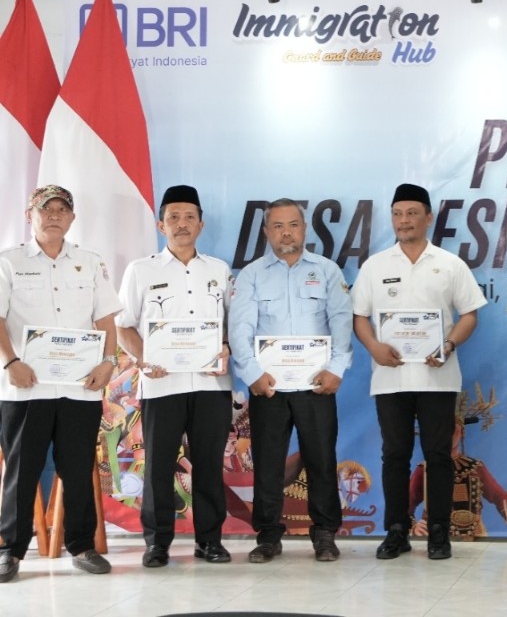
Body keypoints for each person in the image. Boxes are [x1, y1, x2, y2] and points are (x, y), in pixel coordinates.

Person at [352, 183, 487, 560]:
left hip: (438, 377)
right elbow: (359, 317)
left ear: (428, 218)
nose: (404, 220)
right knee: (394, 455)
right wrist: (374, 347)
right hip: (390, 378)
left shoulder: (449, 264)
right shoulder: (375, 265)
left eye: (412, 213)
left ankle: (439, 532)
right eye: (397, 214)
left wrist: (448, 345)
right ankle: (397, 530)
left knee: (438, 455)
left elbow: (470, 315)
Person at [0, 186, 122, 582]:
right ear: (29, 215)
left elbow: (106, 320)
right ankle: (9, 551)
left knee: (78, 468)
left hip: (79, 387)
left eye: (62, 209)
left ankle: (82, 547)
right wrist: (11, 361)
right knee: (22, 470)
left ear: (72, 217)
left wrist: (108, 361)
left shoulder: (90, 262)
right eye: (45, 209)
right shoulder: (8, 262)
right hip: (25, 387)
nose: (54, 215)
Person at [228, 198, 353, 563]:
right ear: (267, 232)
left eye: (293, 225)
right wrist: (252, 373)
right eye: (278, 226)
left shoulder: (327, 271)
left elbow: (341, 322)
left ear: (304, 229)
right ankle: (268, 535)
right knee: (268, 463)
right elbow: (240, 327)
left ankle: (325, 533)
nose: (286, 233)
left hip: (317, 384)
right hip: (268, 386)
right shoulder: (251, 275)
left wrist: (337, 368)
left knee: (321, 460)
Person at [116, 185, 233, 568]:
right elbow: (124, 325)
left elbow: (231, 325)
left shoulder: (218, 270)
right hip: (161, 383)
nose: (182, 224)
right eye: (173, 218)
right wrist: (145, 358)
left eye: (189, 217)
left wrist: (227, 346)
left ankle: (210, 541)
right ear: (160, 225)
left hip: (211, 384)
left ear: (201, 224)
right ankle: (157, 542)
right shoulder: (141, 270)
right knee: (159, 466)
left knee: (209, 464)